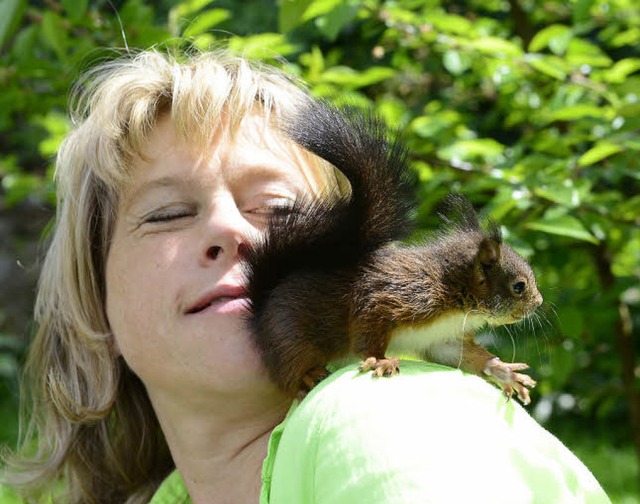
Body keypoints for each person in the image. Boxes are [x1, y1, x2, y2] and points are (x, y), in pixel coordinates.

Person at [0, 49, 609, 504]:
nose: (227, 229)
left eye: (279, 210)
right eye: (166, 214)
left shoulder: (378, 421)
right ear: (94, 293)